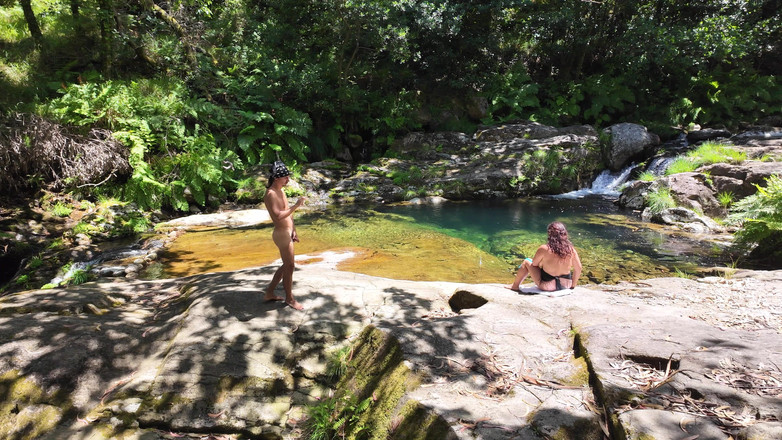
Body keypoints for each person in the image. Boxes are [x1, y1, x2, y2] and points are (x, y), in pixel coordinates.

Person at [263, 161, 307, 310]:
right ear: (276, 178)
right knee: (290, 265)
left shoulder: (281, 191)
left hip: (288, 232)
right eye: (285, 178)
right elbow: (278, 215)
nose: (288, 180)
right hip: (281, 233)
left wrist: (294, 230)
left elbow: (289, 214)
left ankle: (269, 292)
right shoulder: (270, 194)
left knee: (286, 265)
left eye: (288, 177)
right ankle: (289, 299)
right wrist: (297, 205)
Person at [507, 221, 582, 292]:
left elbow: (534, 264)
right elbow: (578, 268)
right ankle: (569, 285)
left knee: (527, 261)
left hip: (548, 286)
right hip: (566, 285)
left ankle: (515, 286)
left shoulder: (544, 248)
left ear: (550, 234)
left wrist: (543, 263)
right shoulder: (571, 249)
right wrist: (573, 285)